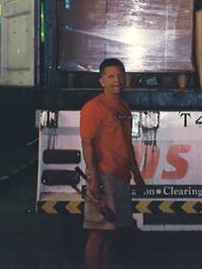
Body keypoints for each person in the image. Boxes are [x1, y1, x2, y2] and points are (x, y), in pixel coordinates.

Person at [80, 58, 145, 269]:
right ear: (101, 81)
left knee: (111, 232)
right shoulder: (93, 107)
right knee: (98, 232)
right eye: (110, 76)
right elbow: (87, 145)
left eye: (119, 75)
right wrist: (94, 178)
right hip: (104, 176)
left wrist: (136, 174)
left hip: (121, 176)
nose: (116, 80)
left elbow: (126, 143)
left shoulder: (124, 108)